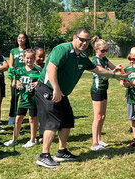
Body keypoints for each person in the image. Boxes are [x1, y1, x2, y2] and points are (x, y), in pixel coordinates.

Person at [34, 28, 126, 169]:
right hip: (48, 89)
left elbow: (97, 69)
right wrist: (56, 89)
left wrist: (115, 76)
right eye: (81, 39)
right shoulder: (63, 49)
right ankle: (44, 155)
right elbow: (51, 68)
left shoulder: (82, 57)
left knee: (67, 120)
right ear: (74, 37)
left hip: (61, 93)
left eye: (87, 41)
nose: (84, 43)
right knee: (53, 122)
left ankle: (61, 151)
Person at [7, 48, 44, 148]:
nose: (29, 60)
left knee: (32, 118)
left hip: (34, 99)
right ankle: (14, 139)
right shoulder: (19, 70)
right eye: (27, 58)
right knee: (19, 118)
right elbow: (12, 77)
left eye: (31, 58)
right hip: (23, 98)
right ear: (23, 58)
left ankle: (32, 139)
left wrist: (38, 83)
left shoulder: (39, 70)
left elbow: (45, 80)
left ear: (34, 58)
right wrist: (17, 81)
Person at [90, 38, 117, 150]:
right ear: (96, 49)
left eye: (106, 50)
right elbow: (104, 75)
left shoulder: (104, 59)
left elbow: (113, 68)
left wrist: (119, 69)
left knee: (103, 116)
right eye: (102, 50)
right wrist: (114, 73)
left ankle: (99, 139)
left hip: (104, 89)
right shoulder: (95, 61)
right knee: (97, 117)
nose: (105, 52)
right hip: (97, 90)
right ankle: (94, 143)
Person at [8, 33, 30, 124]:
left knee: (27, 97)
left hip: (26, 77)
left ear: (26, 40)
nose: (20, 40)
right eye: (19, 38)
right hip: (16, 77)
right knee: (14, 97)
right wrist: (14, 78)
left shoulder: (28, 50)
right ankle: (12, 117)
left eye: (22, 38)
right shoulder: (13, 50)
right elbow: (11, 65)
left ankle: (29, 116)